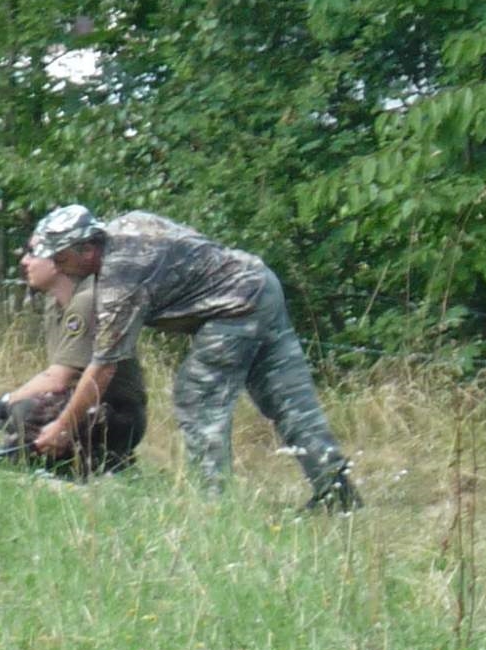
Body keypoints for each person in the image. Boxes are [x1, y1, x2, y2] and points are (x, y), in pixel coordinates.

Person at [21, 205, 359, 508]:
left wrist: (63, 427)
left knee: (197, 395)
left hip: (236, 306)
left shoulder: (120, 282)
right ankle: (336, 490)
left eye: (61, 258)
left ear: (87, 249)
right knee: (290, 399)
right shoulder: (127, 224)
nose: (59, 266)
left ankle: (213, 501)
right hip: (261, 282)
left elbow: (103, 369)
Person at [0, 243, 147, 475]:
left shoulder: (87, 301)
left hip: (118, 413)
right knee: (27, 408)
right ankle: (65, 466)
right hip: (90, 405)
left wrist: (2, 405)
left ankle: (95, 465)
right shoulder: (55, 305)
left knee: (24, 410)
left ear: (57, 261)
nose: (25, 261)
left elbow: (59, 378)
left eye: (34, 254)